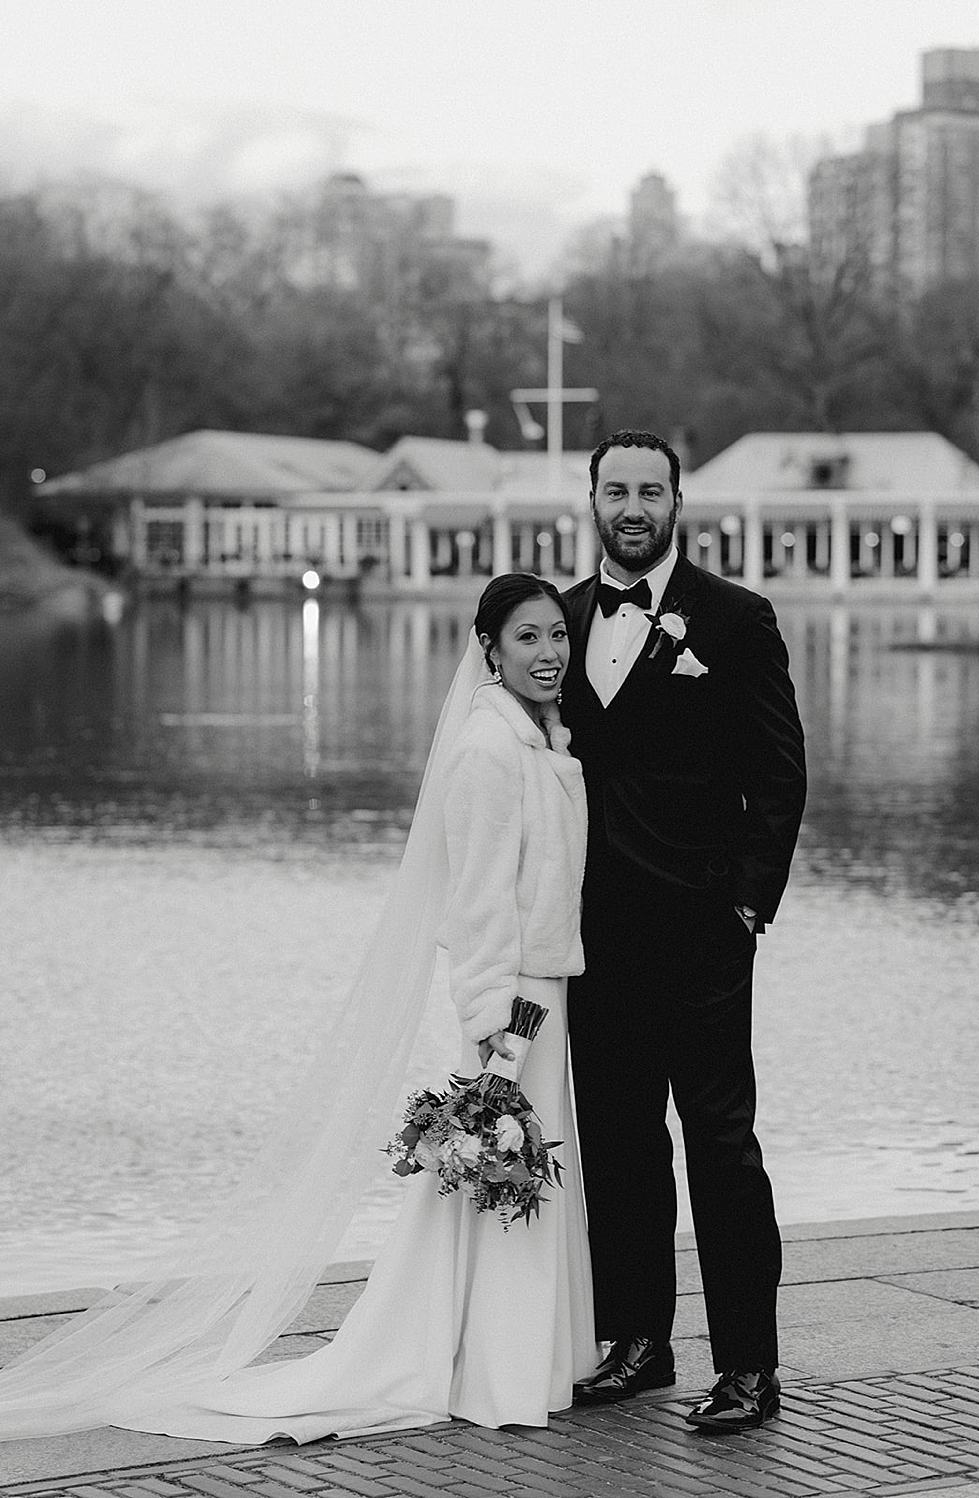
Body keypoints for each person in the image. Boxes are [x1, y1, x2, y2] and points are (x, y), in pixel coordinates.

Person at [0, 574, 595, 1442]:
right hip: (513, 1005)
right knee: (502, 1174)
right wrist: (493, 1025)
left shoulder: (538, 741)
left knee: (512, 1179)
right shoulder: (488, 751)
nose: (549, 653)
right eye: (528, 637)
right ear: (490, 651)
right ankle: (493, 1371)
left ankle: (515, 1359)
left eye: (558, 635)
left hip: (545, 991)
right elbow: (476, 904)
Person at [562, 429, 807, 1431]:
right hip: (591, 937)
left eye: (649, 492)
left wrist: (746, 904)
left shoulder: (735, 619)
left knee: (720, 1145)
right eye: (615, 490)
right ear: (591, 500)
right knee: (618, 1143)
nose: (632, 508)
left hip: (703, 929)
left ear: (675, 502)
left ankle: (749, 1365)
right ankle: (638, 1343)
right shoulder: (561, 619)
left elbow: (779, 774)